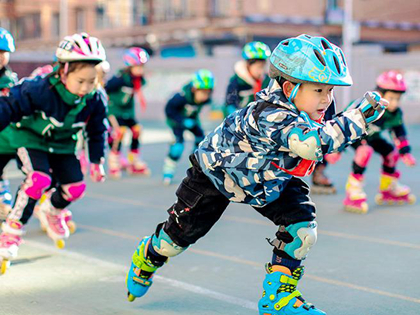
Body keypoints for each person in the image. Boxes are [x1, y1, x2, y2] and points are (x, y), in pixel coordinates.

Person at [125, 34, 387, 314]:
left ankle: (278, 298)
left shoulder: (312, 111)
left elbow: (327, 137)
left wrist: (357, 122)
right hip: (217, 174)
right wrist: (356, 119)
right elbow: (313, 144)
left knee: (303, 230)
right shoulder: (271, 113)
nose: (326, 100)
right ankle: (148, 255)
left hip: (267, 177)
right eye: (319, 91)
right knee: (174, 242)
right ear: (289, 88)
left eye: (330, 91)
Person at [0, 33, 108, 274]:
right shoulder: (40, 89)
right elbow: (9, 106)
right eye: (81, 81)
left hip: (62, 144)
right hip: (30, 138)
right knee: (39, 179)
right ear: (64, 70)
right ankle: (11, 231)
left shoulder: (95, 97)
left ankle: (52, 209)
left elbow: (97, 130)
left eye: (92, 81)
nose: (86, 88)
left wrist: (96, 161)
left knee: (76, 188)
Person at [343, 70, 416, 213]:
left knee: (391, 153)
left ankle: (388, 187)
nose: (394, 103)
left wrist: (405, 152)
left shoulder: (394, 112)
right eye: (391, 98)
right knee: (365, 151)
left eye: (397, 99)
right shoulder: (365, 105)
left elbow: (398, 132)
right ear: (380, 93)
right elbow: (343, 122)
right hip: (355, 136)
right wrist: (336, 149)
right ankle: (354, 189)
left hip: (372, 137)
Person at [162, 69, 214, 185]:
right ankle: (168, 170)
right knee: (178, 146)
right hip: (177, 121)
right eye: (202, 92)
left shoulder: (205, 100)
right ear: (194, 89)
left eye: (207, 93)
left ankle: (195, 168)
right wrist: (181, 121)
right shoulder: (181, 97)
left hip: (191, 120)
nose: (204, 96)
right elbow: (169, 111)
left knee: (201, 142)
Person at [105, 47, 150, 179]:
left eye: (142, 66)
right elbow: (105, 89)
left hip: (127, 112)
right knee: (120, 132)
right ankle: (114, 162)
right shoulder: (119, 79)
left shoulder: (138, 80)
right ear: (130, 65)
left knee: (137, 130)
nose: (141, 69)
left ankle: (133, 159)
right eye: (138, 66)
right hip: (114, 111)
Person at [224, 41, 271, 116]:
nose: (261, 71)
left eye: (263, 67)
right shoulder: (237, 82)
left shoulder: (267, 81)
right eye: (258, 67)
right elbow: (230, 105)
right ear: (248, 65)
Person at [0, 27, 18, 221]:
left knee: (35, 171)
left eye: (4, 53)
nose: (0, 57)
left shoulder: (10, 80)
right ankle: (3, 202)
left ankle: (47, 205)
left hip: (12, 137)